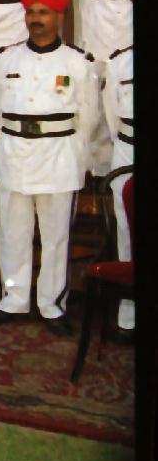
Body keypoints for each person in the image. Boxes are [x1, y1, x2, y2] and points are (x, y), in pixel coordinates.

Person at [0, 0, 98, 336]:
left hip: (58, 157)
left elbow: (88, 117)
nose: (36, 18)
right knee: (13, 233)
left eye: (44, 12)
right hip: (15, 154)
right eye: (31, 11)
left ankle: (52, 305)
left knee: (55, 237)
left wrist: (76, 157)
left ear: (59, 16)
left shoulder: (78, 63)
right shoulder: (5, 60)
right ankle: (13, 298)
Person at [101, 41, 134, 342]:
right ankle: (129, 316)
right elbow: (112, 115)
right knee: (126, 230)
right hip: (128, 146)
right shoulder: (120, 62)